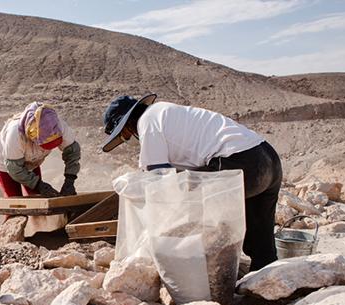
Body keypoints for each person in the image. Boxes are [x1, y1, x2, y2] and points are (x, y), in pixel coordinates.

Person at [101, 94, 283, 271]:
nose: (127, 138)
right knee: (261, 238)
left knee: (199, 211)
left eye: (124, 135)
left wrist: (157, 230)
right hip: (268, 160)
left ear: (126, 123)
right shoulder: (165, 112)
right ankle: (270, 286)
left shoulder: (148, 122)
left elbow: (159, 179)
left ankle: (204, 273)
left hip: (240, 163)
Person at [0, 102, 81, 198]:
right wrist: (39, 185)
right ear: (33, 138)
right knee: (15, 201)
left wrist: (70, 180)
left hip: (31, 162)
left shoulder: (58, 126)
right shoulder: (15, 135)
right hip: (6, 165)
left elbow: (73, 153)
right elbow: (15, 169)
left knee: (37, 198)